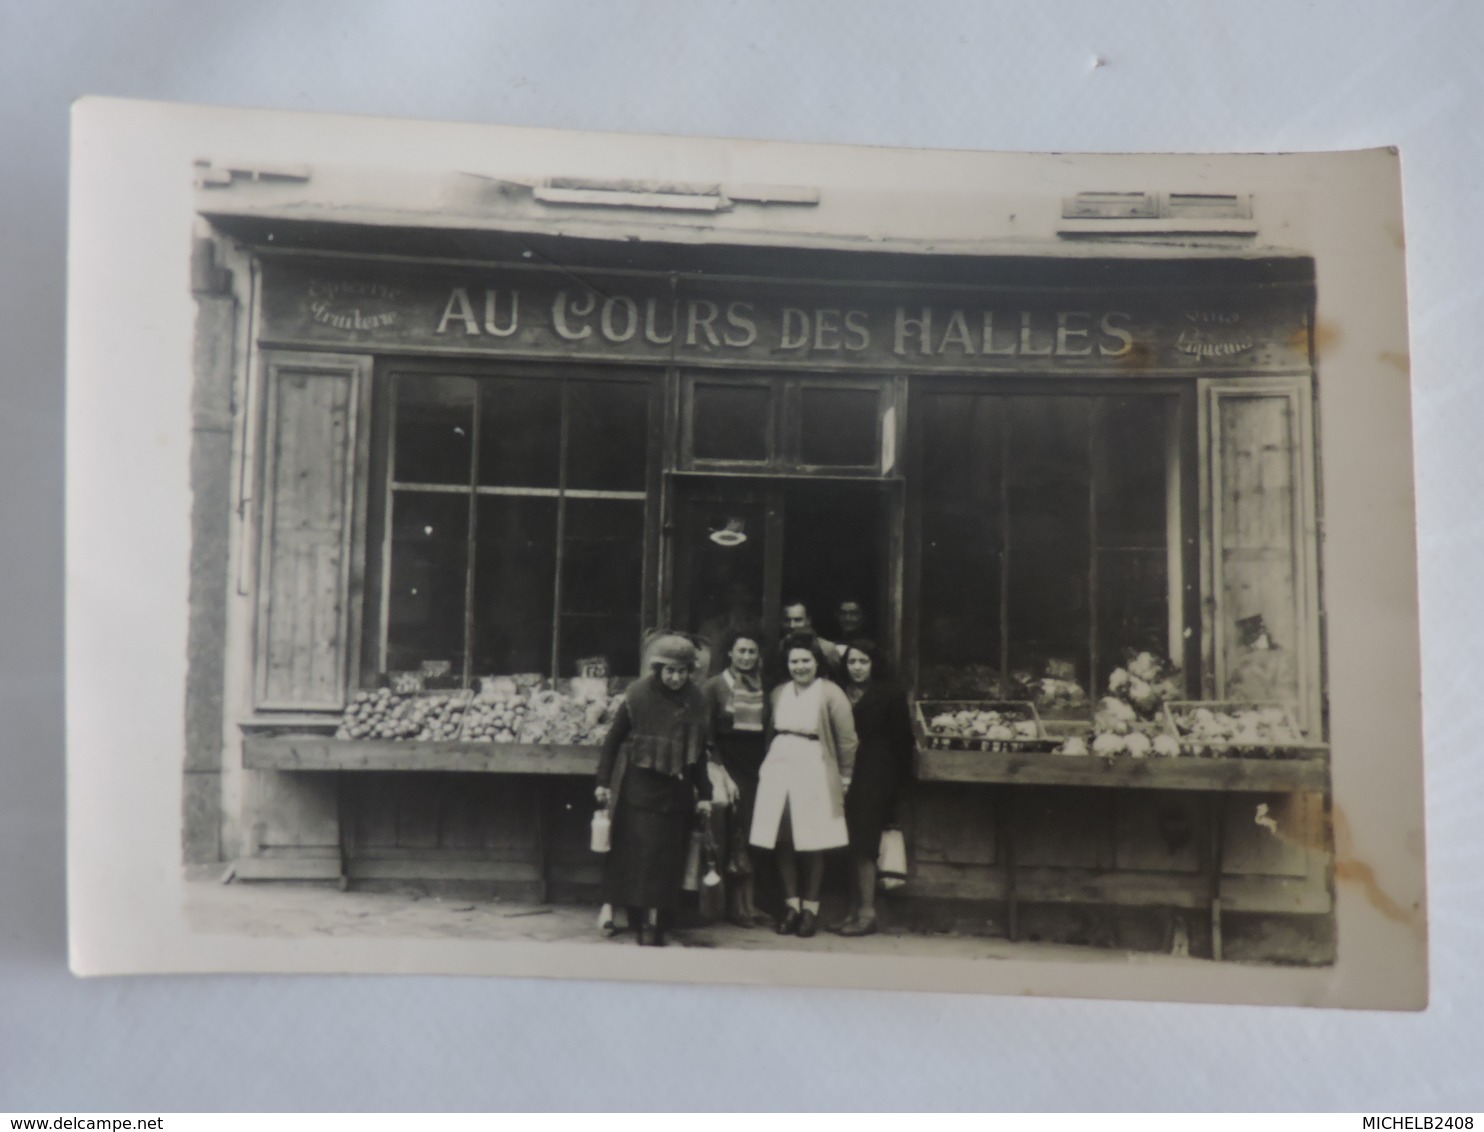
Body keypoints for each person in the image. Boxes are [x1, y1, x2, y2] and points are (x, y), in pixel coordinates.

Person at [594, 633, 713, 947]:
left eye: (682, 671)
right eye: (669, 670)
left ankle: (660, 922)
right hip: (641, 790)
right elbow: (613, 740)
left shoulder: (696, 700)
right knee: (642, 858)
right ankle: (643, 922)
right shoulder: (637, 695)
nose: (675, 677)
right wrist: (603, 782)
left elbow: (699, 752)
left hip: (677, 792)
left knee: (668, 860)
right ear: (657, 669)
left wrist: (706, 794)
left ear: (690, 671)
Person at [750, 632, 859, 938]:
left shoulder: (831, 693)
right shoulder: (779, 692)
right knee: (782, 836)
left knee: (811, 840)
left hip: (814, 765)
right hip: (780, 764)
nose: (800, 667)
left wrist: (845, 777)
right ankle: (792, 906)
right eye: (794, 661)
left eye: (805, 660)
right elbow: (770, 730)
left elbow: (847, 741)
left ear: (817, 662)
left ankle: (811, 909)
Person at [834, 639, 914, 937]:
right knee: (851, 842)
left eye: (863, 662)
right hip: (847, 769)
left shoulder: (890, 694)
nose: (857, 668)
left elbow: (902, 742)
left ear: (874, 664)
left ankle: (867, 914)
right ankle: (852, 911)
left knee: (865, 844)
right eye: (852, 662)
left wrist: (896, 785)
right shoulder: (841, 692)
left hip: (877, 771)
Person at [701, 627, 772, 927]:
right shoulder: (714, 687)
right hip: (726, 765)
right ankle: (733, 907)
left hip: (756, 765)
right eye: (740, 651)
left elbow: (768, 729)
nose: (746, 657)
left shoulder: (762, 686)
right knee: (731, 831)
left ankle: (750, 903)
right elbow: (706, 736)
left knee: (752, 832)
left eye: (752, 651)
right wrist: (722, 773)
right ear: (729, 653)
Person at [780, 601, 843, 682]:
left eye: (798, 620)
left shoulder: (826, 648)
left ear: (808, 620)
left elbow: (837, 678)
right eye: (787, 620)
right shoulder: (780, 647)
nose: (792, 625)